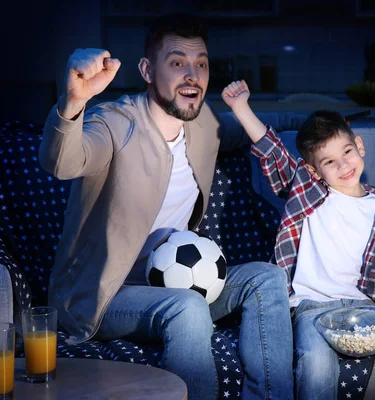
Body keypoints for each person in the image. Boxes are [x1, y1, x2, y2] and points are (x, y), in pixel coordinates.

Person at [38, 14, 293, 400]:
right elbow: (63, 162)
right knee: (187, 308)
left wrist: (325, 129)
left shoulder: (204, 123)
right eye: (177, 63)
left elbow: (258, 127)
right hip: (104, 294)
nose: (193, 75)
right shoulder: (113, 122)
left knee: (266, 278)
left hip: (175, 283)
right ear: (147, 70)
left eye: (201, 64)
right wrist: (74, 101)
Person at [221, 80, 375, 400]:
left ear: (359, 146)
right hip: (311, 310)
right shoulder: (309, 193)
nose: (343, 165)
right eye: (329, 162)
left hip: (365, 308)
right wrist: (240, 108)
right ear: (313, 171)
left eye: (346, 152)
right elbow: (273, 151)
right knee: (316, 365)